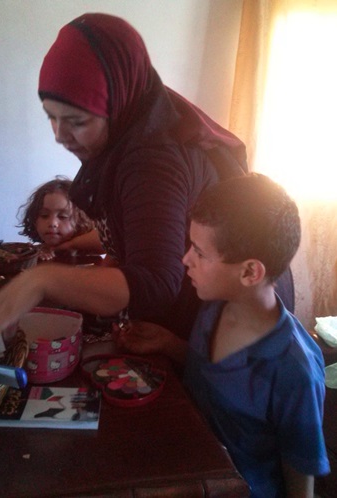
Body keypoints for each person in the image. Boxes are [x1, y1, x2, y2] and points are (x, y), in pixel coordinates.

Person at [0, 12, 251, 352]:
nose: (60, 135)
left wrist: (41, 281)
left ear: (117, 103)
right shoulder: (133, 127)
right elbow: (136, 225)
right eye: (52, 117)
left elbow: (156, 283)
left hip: (220, 333)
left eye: (76, 121)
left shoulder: (152, 161)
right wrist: (71, 245)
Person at [117, 173, 329, 497]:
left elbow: (301, 483)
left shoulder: (294, 371)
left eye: (199, 252)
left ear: (249, 272)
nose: (185, 259)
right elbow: (217, 379)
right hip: (189, 464)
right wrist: (170, 344)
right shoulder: (215, 306)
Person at [17, 176, 102, 261]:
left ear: (81, 220)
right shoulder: (36, 252)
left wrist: (67, 245)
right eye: (44, 215)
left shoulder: (87, 249)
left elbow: (105, 240)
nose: (52, 223)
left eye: (63, 216)